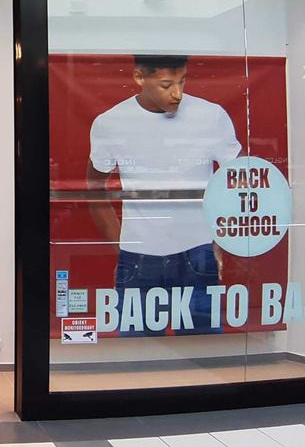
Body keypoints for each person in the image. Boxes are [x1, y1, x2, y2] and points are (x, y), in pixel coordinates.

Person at [86, 54, 240, 336]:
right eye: (166, 84)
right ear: (139, 77)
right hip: (139, 253)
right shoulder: (111, 122)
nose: (177, 93)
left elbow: (237, 181)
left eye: (182, 81)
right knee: (137, 353)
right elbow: (93, 189)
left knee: (204, 349)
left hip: (198, 250)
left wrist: (219, 241)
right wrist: (123, 248)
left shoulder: (211, 116)